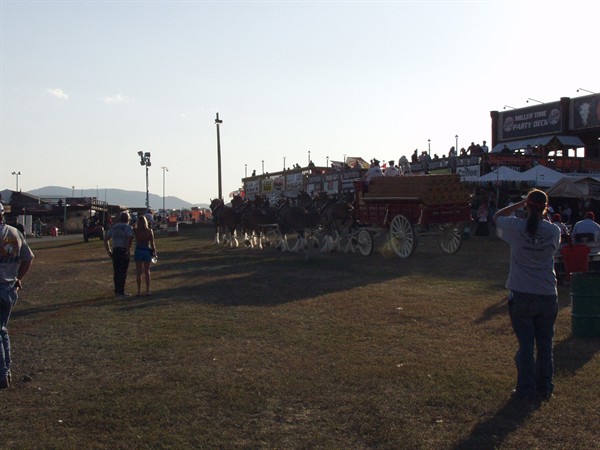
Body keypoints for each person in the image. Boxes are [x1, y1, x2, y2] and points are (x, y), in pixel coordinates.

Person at [493, 189, 561, 401]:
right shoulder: (554, 231)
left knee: (526, 345)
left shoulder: (516, 227)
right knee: (545, 344)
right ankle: (545, 387)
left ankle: (526, 388)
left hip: (522, 291)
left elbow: (497, 217)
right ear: (545, 208)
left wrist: (519, 204)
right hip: (547, 292)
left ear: (527, 206)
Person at [0, 202, 34, 389]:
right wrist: (18, 278)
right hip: (10, 287)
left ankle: (2, 374)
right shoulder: (15, 233)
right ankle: (6, 370)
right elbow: (28, 258)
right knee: (2, 330)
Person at [104, 211, 134, 297]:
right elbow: (129, 239)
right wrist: (128, 251)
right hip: (123, 250)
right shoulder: (128, 227)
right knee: (123, 272)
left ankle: (117, 290)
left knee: (116, 271)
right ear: (128, 219)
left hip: (115, 250)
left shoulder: (114, 227)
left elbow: (106, 239)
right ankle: (121, 291)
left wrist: (108, 250)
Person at [133, 215, 157, 296]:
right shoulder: (149, 231)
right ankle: (147, 290)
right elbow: (152, 243)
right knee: (147, 271)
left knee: (139, 272)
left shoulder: (136, 230)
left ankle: (138, 291)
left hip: (138, 250)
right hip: (146, 251)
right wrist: (154, 252)